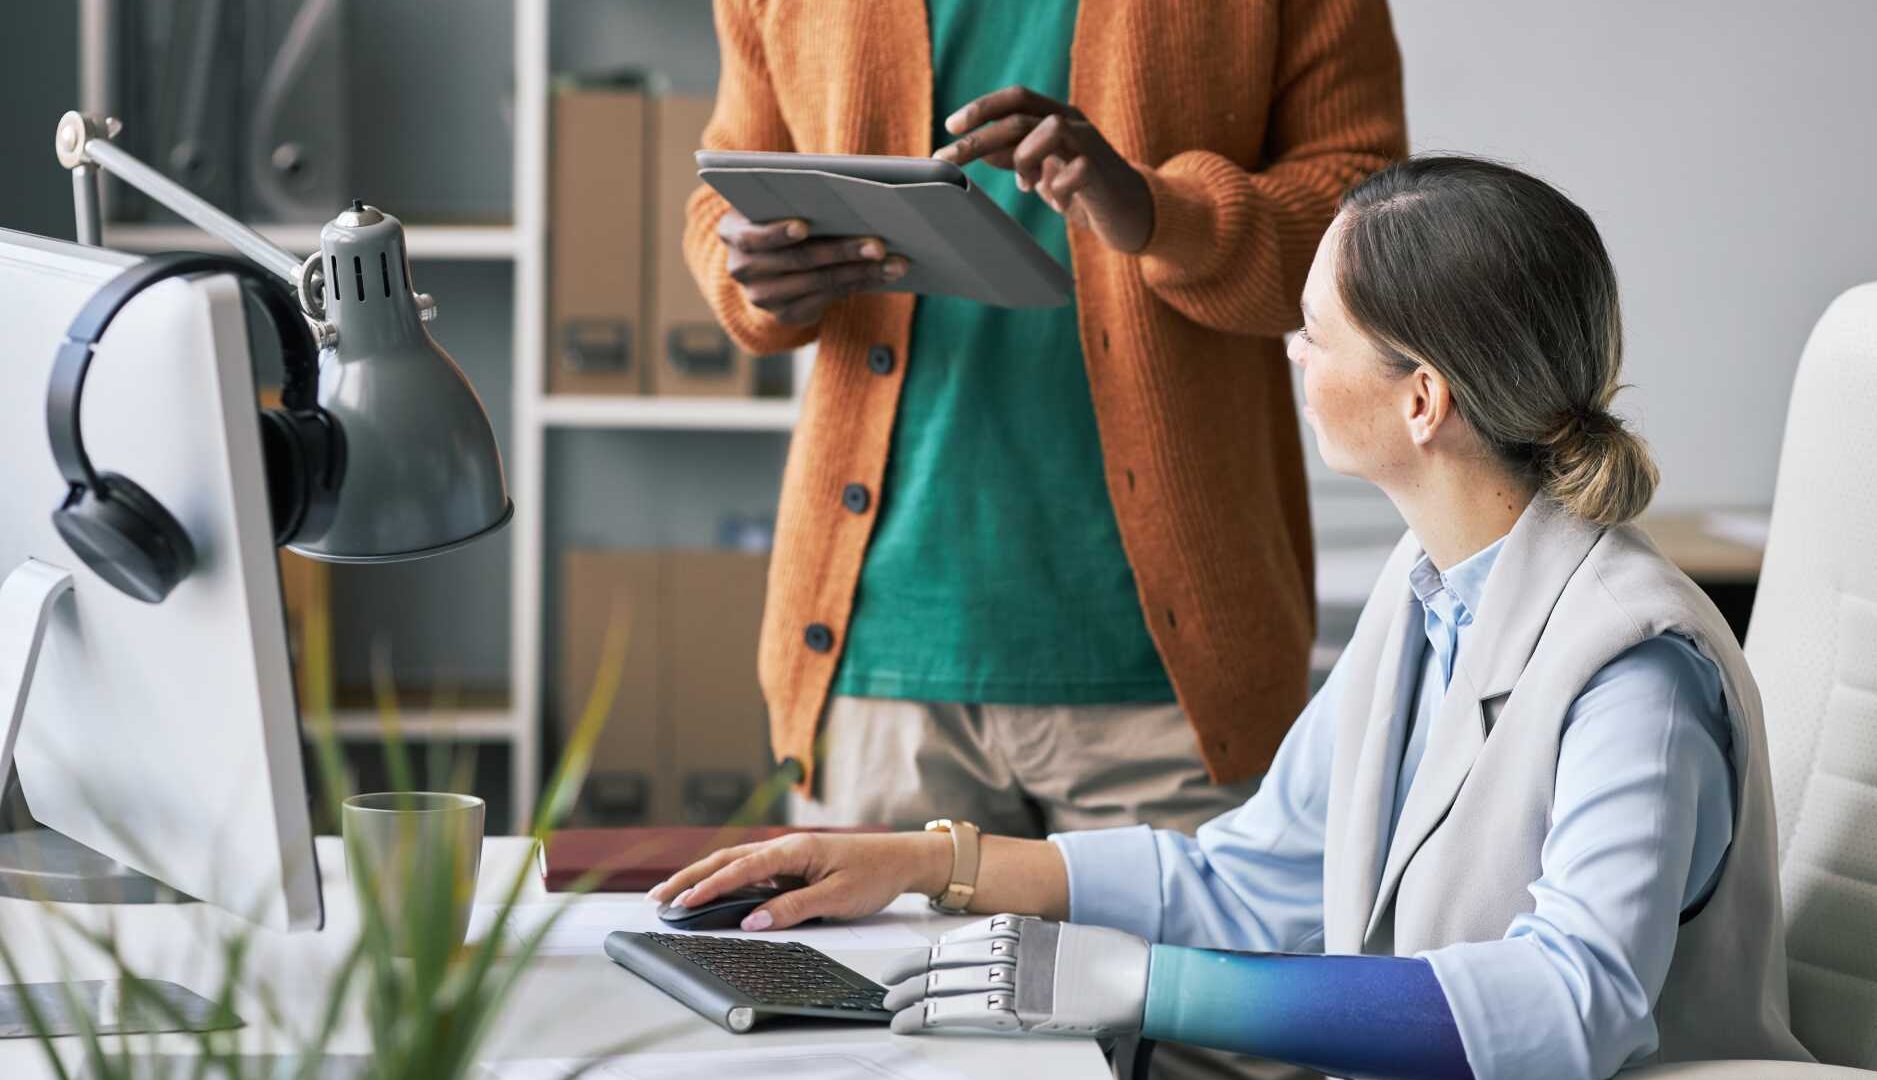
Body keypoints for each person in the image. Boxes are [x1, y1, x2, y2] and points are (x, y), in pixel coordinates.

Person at [653, 157, 1817, 1080]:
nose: (1292, 352)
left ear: (1423, 400)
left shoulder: (1634, 673)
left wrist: (1147, 986)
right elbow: (1248, 883)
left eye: (1316, 330)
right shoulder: (1430, 594)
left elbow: (1573, 1004)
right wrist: (920, 863)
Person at [684, 3, 1406, 844]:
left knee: (1188, 941)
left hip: (1169, 693)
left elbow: (1373, 229)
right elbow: (725, 186)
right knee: (869, 943)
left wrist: (1160, 212)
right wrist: (747, 267)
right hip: (873, 665)